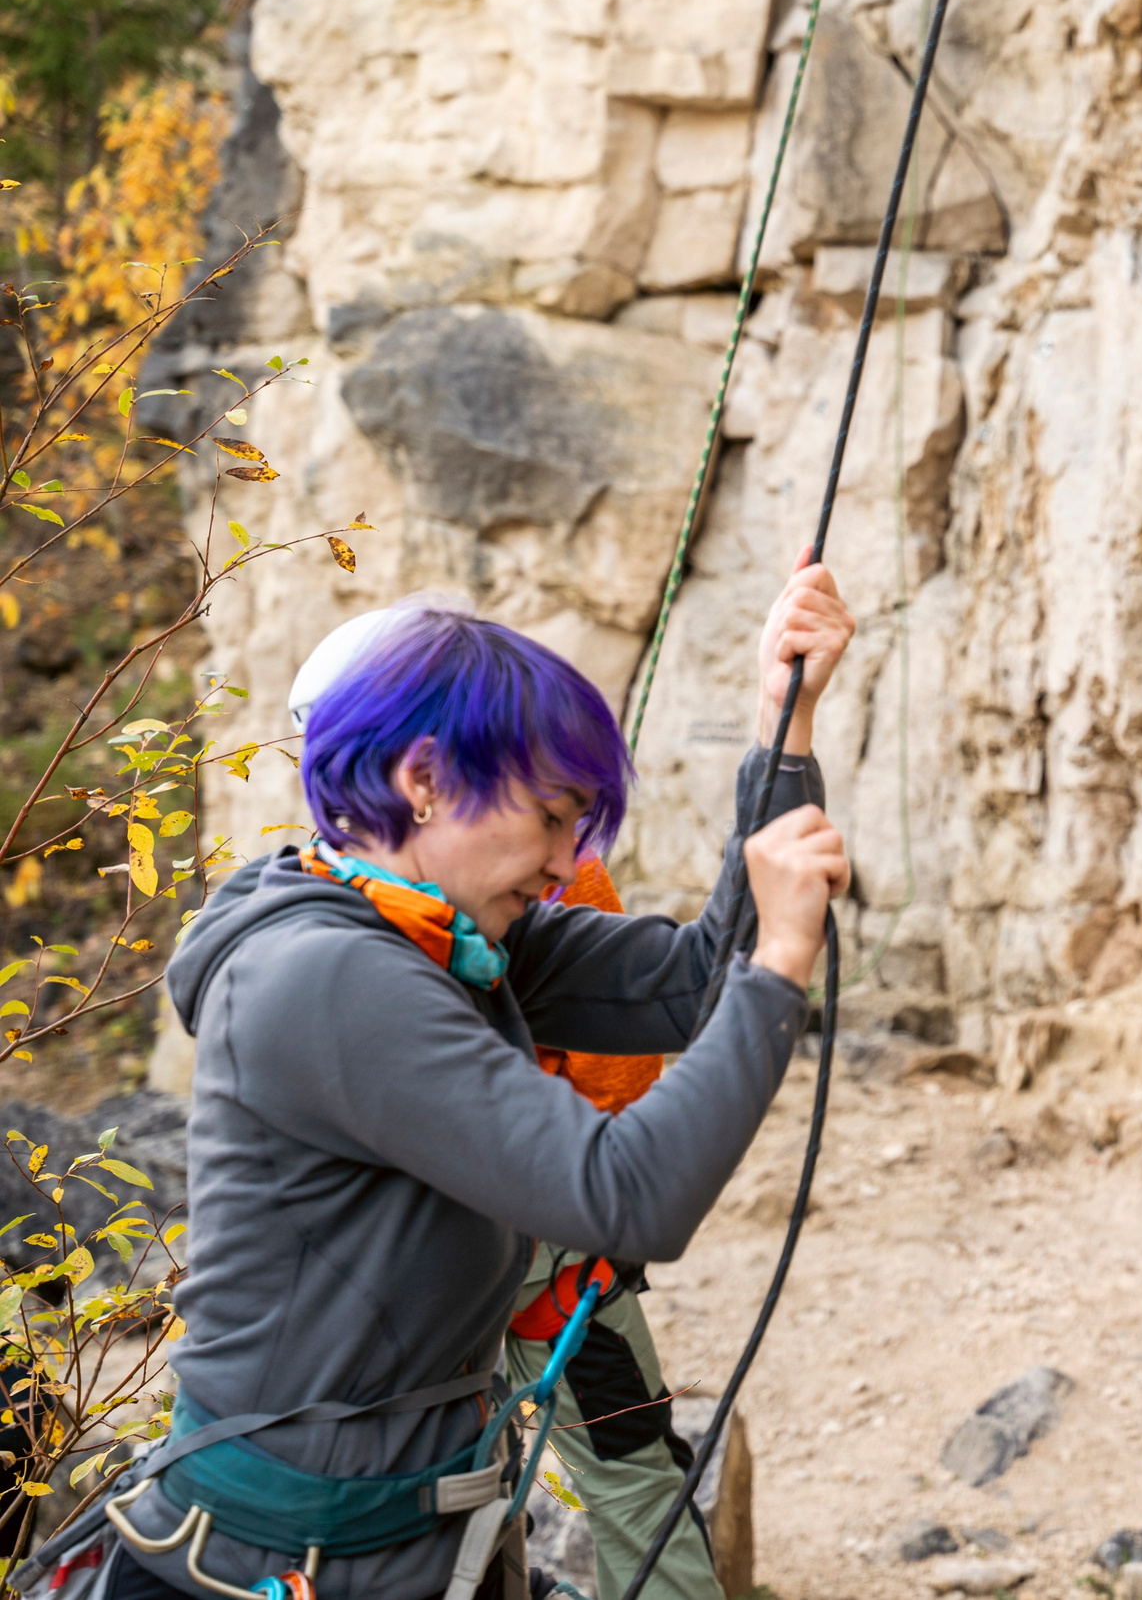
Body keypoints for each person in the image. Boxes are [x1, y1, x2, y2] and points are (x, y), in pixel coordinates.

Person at [32, 561, 853, 1600]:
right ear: (422, 780)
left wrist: (783, 733)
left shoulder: (449, 940)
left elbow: (692, 984)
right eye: (552, 815)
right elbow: (629, 1195)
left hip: (404, 1552)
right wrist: (782, 965)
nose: (566, 860)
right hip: (273, 1570)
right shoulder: (329, 976)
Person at [285, 614, 730, 1600]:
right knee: (525, 1490)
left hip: (546, 1251)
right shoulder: (345, 916)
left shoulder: (533, 879)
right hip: (489, 1262)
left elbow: (625, 1071)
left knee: (621, 1478)